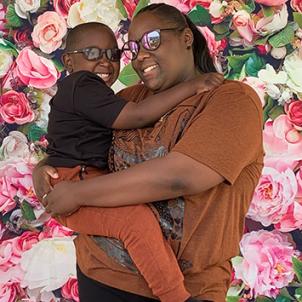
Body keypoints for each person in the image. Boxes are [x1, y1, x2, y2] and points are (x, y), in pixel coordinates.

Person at [33, 3, 264, 302]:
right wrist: (44, 169)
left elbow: (180, 177)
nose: (140, 56)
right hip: (99, 273)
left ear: (186, 38)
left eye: (152, 40)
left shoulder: (231, 101)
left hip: (188, 290)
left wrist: (78, 193)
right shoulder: (128, 99)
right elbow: (78, 142)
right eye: (133, 47)